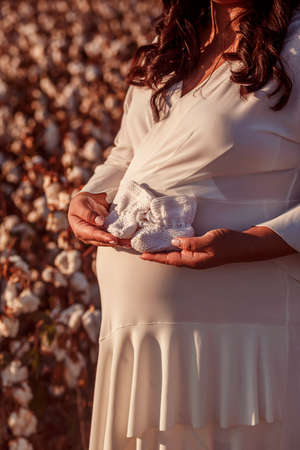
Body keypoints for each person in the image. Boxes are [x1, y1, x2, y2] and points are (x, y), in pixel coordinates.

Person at [68, 0, 300, 448]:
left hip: (242, 337)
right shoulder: (169, 47)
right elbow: (128, 154)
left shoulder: (294, 47)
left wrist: (256, 242)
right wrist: (87, 197)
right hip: (136, 338)